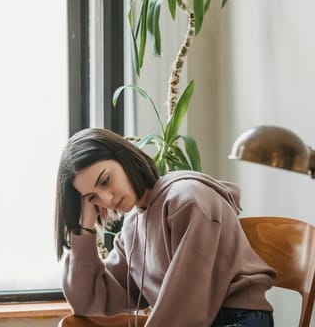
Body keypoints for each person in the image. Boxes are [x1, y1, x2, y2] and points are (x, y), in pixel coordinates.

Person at [54, 128, 277, 327]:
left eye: (105, 181)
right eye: (93, 197)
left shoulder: (187, 200)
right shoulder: (133, 227)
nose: (107, 198)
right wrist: (84, 229)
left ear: (124, 158)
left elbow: (188, 304)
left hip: (238, 319)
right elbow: (88, 302)